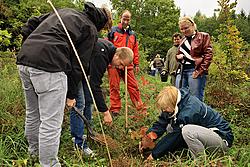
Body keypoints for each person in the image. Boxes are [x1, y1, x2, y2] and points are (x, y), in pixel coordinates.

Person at [16, 2, 111, 166]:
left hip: (25, 60)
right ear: (101, 23)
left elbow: (32, 22)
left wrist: (28, 44)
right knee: (51, 122)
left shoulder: (65, 12)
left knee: (33, 113)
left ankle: (33, 155)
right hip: (50, 65)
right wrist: (71, 95)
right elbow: (79, 65)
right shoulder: (90, 29)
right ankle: (49, 163)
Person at [69, 38, 134, 155]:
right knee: (80, 104)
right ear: (117, 56)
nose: (120, 68)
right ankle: (78, 143)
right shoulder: (102, 55)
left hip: (83, 71)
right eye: (121, 64)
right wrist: (105, 112)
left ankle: (88, 131)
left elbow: (94, 80)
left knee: (88, 101)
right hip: (75, 70)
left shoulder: (109, 50)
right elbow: (95, 85)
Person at [140, 86, 234, 160]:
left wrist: (155, 154)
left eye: (166, 107)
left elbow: (175, 136)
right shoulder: (177, 102)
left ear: (173, 103)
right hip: (206, 135)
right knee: (170, 127)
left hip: (221, 140)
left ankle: (200, 161)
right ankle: (183, 151)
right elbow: (162, 122)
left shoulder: (190, 111)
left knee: (186, 131)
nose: (164, 110)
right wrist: (148, 138)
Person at [107, 10, 144, 115]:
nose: (126, 21)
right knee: (114, 86)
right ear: (120, 18)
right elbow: (108, 46)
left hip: (128, 65)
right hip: (114, 63)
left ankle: (139, 106)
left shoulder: (132, 34)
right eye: (124, 18)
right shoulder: (113, 31)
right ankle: (115, 109)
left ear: (130, 20)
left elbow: (135, 50)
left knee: (133, 86)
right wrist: (108, 61)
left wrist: (136, 63)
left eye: (128, 19)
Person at [175, 16, 213, 101]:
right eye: (181, 29)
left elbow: (208, 55)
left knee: (196, 99)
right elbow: (180, 54)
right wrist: (178, 57)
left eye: (186, 28)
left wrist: (200, 71)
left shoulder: (204, 36)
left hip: (195, 70)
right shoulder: (183, 40)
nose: (184, 31)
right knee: (179, 98)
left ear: (192, 25)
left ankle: (198, 114)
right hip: (181, 71)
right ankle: (184, 114)